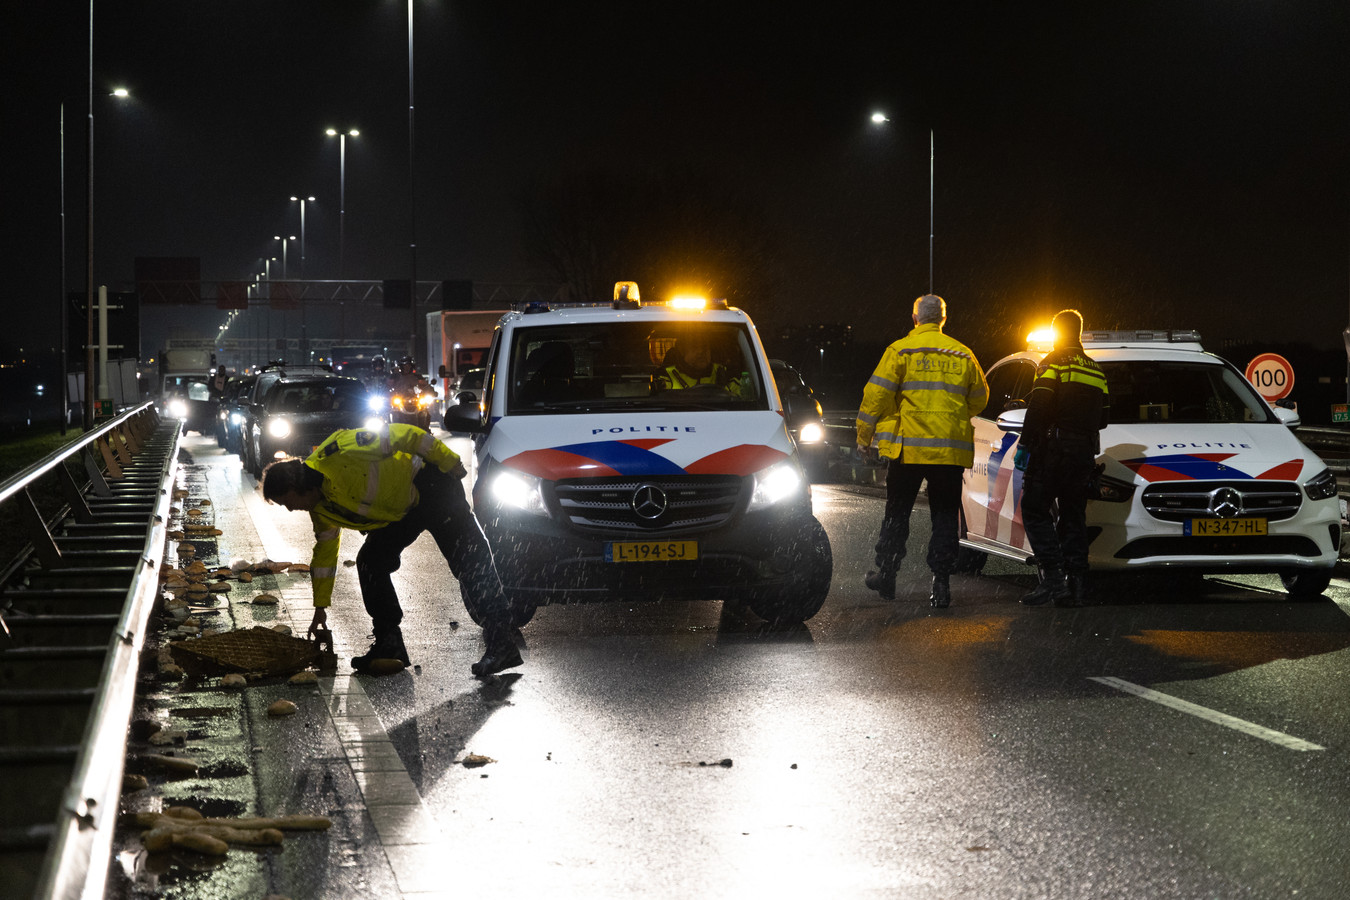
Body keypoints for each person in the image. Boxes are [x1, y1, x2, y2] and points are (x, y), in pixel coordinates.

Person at [262, 422, 523, 677]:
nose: (290, 509)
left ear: (295, 486)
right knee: (370, 562)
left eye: (287, 502)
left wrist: (448, 461)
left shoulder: (341, 450)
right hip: (402, 511)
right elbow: (325, 555)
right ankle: (390, 644)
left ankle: (502, 643)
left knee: (470, 560)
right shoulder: (320, 508)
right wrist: (320, 607)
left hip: (431, 484)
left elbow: (405, 434)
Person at [856, 294, 989, 608]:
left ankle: (887, 574)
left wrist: (864, 436)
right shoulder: (964, 354)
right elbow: (980, 399)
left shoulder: (900, 350)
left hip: (909, 450)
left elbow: (875, 396)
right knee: (944, 515)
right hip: (949, 452)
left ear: (915, 318)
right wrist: (950, 416)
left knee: (897, 513)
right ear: (943, 319)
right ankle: (941, 583)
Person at [1017, 309, 1110, 607]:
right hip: (1083, 454)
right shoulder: (1096, 370)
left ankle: (1054, 580)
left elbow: (1038, 407)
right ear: (1079, 333)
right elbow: (1105, 417)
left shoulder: (1052, 363)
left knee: (1033, 508)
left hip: (1052, 451)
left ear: (1058, 333)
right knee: (1073, 517)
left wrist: (1025, 444)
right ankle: (1078, 586)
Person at [662, 334, 748, 397]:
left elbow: (743, 400)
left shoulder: (726, 374)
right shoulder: (666, 376)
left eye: (705, 347)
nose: (701, 352)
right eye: (694, 347)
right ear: (682, 351)